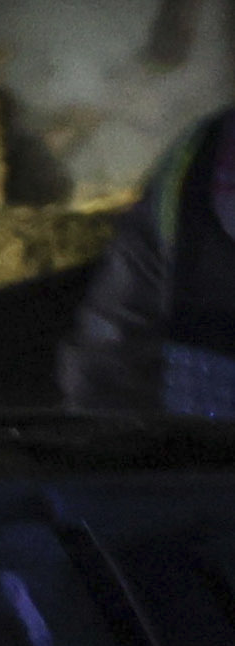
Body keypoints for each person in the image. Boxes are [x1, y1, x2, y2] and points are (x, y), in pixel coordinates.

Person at [63, 106, 235, 419]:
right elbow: (116, 329)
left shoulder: (200, 154)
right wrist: (105, 439)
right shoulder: (196, 160)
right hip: (201, 452)